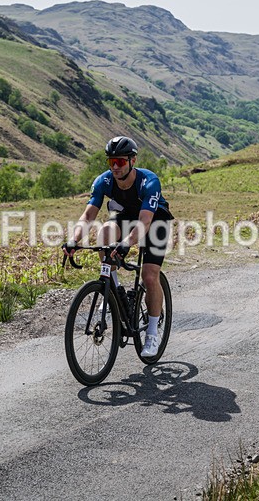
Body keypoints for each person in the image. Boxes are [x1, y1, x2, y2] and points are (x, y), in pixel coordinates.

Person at [63, 136, 174, 357]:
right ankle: (112, 289)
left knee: (149, 275)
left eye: (120, 162)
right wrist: (74, 240)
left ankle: (152, 334)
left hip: (154, 222)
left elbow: (144, 222)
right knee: (105, 232)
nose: (115, 167)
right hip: (125, 218)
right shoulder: (103, 181)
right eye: (111, 162)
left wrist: (126, 243)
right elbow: (88, 215)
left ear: (133, 161)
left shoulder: (149, 181)